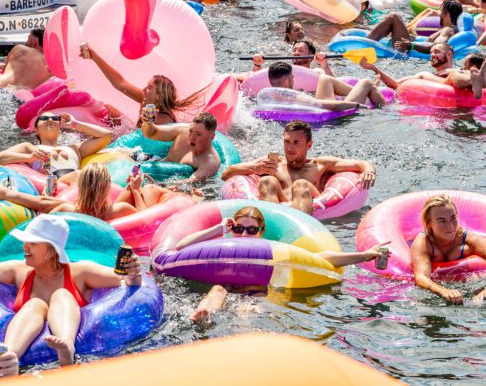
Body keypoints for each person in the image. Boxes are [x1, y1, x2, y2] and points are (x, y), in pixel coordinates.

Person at [0, 212, 143, 365]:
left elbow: (123, 283)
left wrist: (133, 274)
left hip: (70, 331)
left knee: (61, 294)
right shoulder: (19, 271)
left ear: (52, 249)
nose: (25, 247)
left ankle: (66, 347)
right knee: (35, 304)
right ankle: (9, 355)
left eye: (32, 243)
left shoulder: (80, 272)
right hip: (27, 327)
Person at [179, 206, 387, 324]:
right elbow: (180, 249)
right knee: (217, 290)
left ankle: (242, 335)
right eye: (239, 228)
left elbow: (323, 259)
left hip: (259, 291)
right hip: (224, 286)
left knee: (249, 305)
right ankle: (204, 315)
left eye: (251, 231)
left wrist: (365, 255)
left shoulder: (273, 251)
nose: (243, 235)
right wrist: (219, 227)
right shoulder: (222, 247)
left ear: (261, 231)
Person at [221, 120, 377, 215]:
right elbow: (226, 174)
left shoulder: (319, 164)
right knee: (267, 181)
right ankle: (271, 228)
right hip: (278, 206)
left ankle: (299, 231)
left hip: (311, 209)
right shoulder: (273, 163)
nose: (290, 148)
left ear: (309, 145)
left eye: (296, 143)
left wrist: (369, 170)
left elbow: (360, 164)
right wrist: (254, 168)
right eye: (287, 142)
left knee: (300, 185)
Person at [79, 44, 203, 125]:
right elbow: (120, 83)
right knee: (108, 109)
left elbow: (146, 142)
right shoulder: (146, 100)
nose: (144, 89)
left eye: (149, 87)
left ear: (159, 96)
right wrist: (93, 56)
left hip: (144, 146)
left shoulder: (164, 120)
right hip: (136, 132)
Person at [0, 111, 113, 189]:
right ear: (36, 130)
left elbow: (106, 136)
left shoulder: (75, 149)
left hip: (76, 188)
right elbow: (0, 158)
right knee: (78, 175)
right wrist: (28, 157)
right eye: (44, 118)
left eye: (55, 118)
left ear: (60, 127)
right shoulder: (30, 148)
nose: (50, 120)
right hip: (51, 186)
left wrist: (75, 124)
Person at [411, 194, 486, 305]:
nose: (450, 226)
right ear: (429, 223)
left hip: (470, 281)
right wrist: (443, 291)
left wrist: (484, 293)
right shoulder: (423, 242)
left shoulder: (469, 240)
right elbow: (421, 277)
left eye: (453, 218)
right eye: (442, 221)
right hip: (442, 285)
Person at [51, 162, 182, 220]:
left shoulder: (66, 209)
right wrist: (136, 191)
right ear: (107, 187)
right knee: (148, 189)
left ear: (81, 186)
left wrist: (47, 192)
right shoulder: (120, 210)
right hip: (108, 214)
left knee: (132, 187)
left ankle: (135, 185)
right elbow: (145, 220)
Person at [361, 43, 486, 98]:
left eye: (437, 52)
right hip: (454, 86)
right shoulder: (425, 75)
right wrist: (374, 68)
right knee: (455, 75)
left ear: (449, 54)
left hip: (464, 80)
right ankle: (476, 82)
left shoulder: (460, 70)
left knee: (460, 73)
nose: (432, 55)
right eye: (431, 53)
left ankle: (477, 82)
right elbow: (395, 84)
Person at [267, 61, 385, 109]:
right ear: (288, 80)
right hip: (332, 116)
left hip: (318, 108)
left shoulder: (269, 96)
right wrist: (356, 105)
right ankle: (388, 109)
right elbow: (331, 106)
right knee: (366, 82)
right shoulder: (295, 97)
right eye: (292, 77)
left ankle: (360, 92)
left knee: (325, 79)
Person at [141, 111, 221, 182]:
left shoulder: (210, 162)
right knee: (131, 159)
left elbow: (191, 182)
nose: (192, 137)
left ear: (212, 137)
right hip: (152, 165)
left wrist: (157, 185)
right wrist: (148, 123)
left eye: (198, 134)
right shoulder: (183, 131)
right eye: (191, 131)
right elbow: (152, 133)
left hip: (165, 182)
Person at [364, 0, 463, 54]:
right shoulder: (450, 29)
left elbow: (437, 47)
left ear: (447, 14)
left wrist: (411, 45)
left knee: (394, 16)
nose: (439, 14)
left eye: (441, 11)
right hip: (410, 47)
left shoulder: (448, 30)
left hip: (408, 52)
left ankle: (363, 45)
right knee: (395, 19)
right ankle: (366, 42)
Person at [251, 39, 334, 76]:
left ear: (311, 56)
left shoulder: (317, 72)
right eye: (294, 50)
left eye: (301, 50)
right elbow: (254, 81)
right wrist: (257, 65)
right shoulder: (282, 72)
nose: (296, 53)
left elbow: (334, 84)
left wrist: (324, 64)